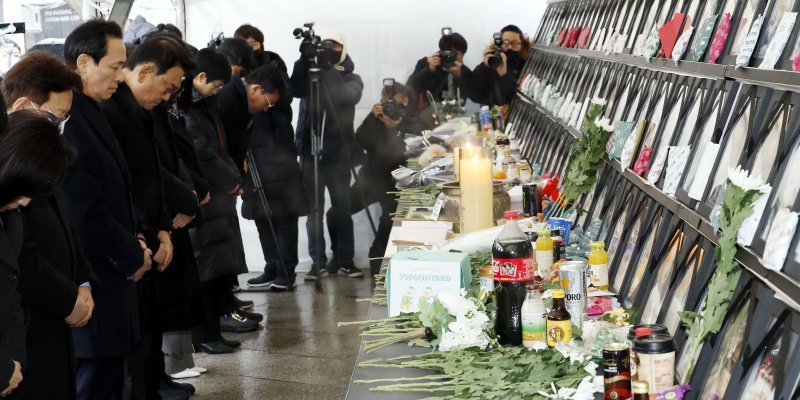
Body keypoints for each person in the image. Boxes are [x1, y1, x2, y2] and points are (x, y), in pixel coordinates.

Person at [58, 19, 153, 400]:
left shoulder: (95, 109)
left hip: (115, 270)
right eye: (115, 66)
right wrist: (132, 253)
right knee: (96, 382)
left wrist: (140, 235)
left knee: (112, 378)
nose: (121, 75)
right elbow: (83, 207)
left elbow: (120, 185)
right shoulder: (70, 119)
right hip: (96, 274)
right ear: (84, 63)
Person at [99, 34, 196, 400]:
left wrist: (162, 229)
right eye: (167, 87)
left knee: (150, 329)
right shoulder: (110, 112)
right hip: (130, 244)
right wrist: (146, 235)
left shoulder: (142, 111)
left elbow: (153, 172)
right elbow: (122, 187)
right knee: (132, 346)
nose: (168, 97)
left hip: (151, 234)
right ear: (143, 71)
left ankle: (155, 387)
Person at [1, 52, 97, 400]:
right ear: (25, 104)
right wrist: (67, 298)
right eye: (56, 117)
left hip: (55, 314)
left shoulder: (37, 153)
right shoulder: (11, 163)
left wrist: (82, 283)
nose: (59, 128)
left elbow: (64, 223)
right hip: (28, 321)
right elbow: (24, 255)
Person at [175, 48, 256, 355]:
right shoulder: (185, 108)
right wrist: (230, 180)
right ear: (200, 76)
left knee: (218, 267)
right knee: (205, 270)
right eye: (217, 84)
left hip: (219, 194)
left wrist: (234, 177)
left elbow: (220, 149)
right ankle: (204, 334)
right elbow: (201, 153)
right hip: (205, 195)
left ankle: (214, 330)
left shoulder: (205, 104)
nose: (219, 91)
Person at [0, 110, 76, 399]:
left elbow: (11, 291)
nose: (26, 201)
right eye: (23, 191)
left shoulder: (12, 217)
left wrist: (15, 361)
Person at [291, 29, 364, 279]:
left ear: (342, 49)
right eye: (324, 47)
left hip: (338, 154)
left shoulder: (352, 78)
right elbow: (295, 88)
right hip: (309, 154)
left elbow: (345, 97)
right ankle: (317, 262)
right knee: (313, 212)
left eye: (334, 47)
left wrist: (328, 69)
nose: (328, 52)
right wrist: (303, 61)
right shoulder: (310, 75)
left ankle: (345, 260)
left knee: (342, 208)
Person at [227, 66, 306, 292]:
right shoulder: (241, 99)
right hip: (255, 165)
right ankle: (271, 266)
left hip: (280, 169)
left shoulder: (277, 100)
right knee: (262, 218)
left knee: (284, 220)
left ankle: (286, 270)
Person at [351, 83, 421, 275]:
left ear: (405, 102)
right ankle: (342, 258)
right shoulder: (376, 118)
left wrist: (397, 125)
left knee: (390, 219)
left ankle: (377, 260)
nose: (391, 108)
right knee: (336, 214)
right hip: (371, 179)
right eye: (387, 103)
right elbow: (360, 140)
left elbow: (415, 143)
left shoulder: (410, 119)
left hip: (395, 182)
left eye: (396, 104)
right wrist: (373, 118)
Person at [406, 31, 472, 127]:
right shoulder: (426, 63)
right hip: (424, 122)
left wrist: (458, 76)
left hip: (451, 121)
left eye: (462, 53)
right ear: (442, 51)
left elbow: (467, 96)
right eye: (456, 53)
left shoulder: (463, 70)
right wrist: (429, 70)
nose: (460, 57)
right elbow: (409, 87)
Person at [467, 24, 531, 106]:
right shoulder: (493, 61)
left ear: (522, 45)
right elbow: (475, 96)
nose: (510, 47)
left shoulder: (527, 65)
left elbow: (515, 98)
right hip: (494, 115)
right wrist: (484, 68)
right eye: (506, 43)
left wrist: (504, 75)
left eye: (515, 43)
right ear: (499, 43)